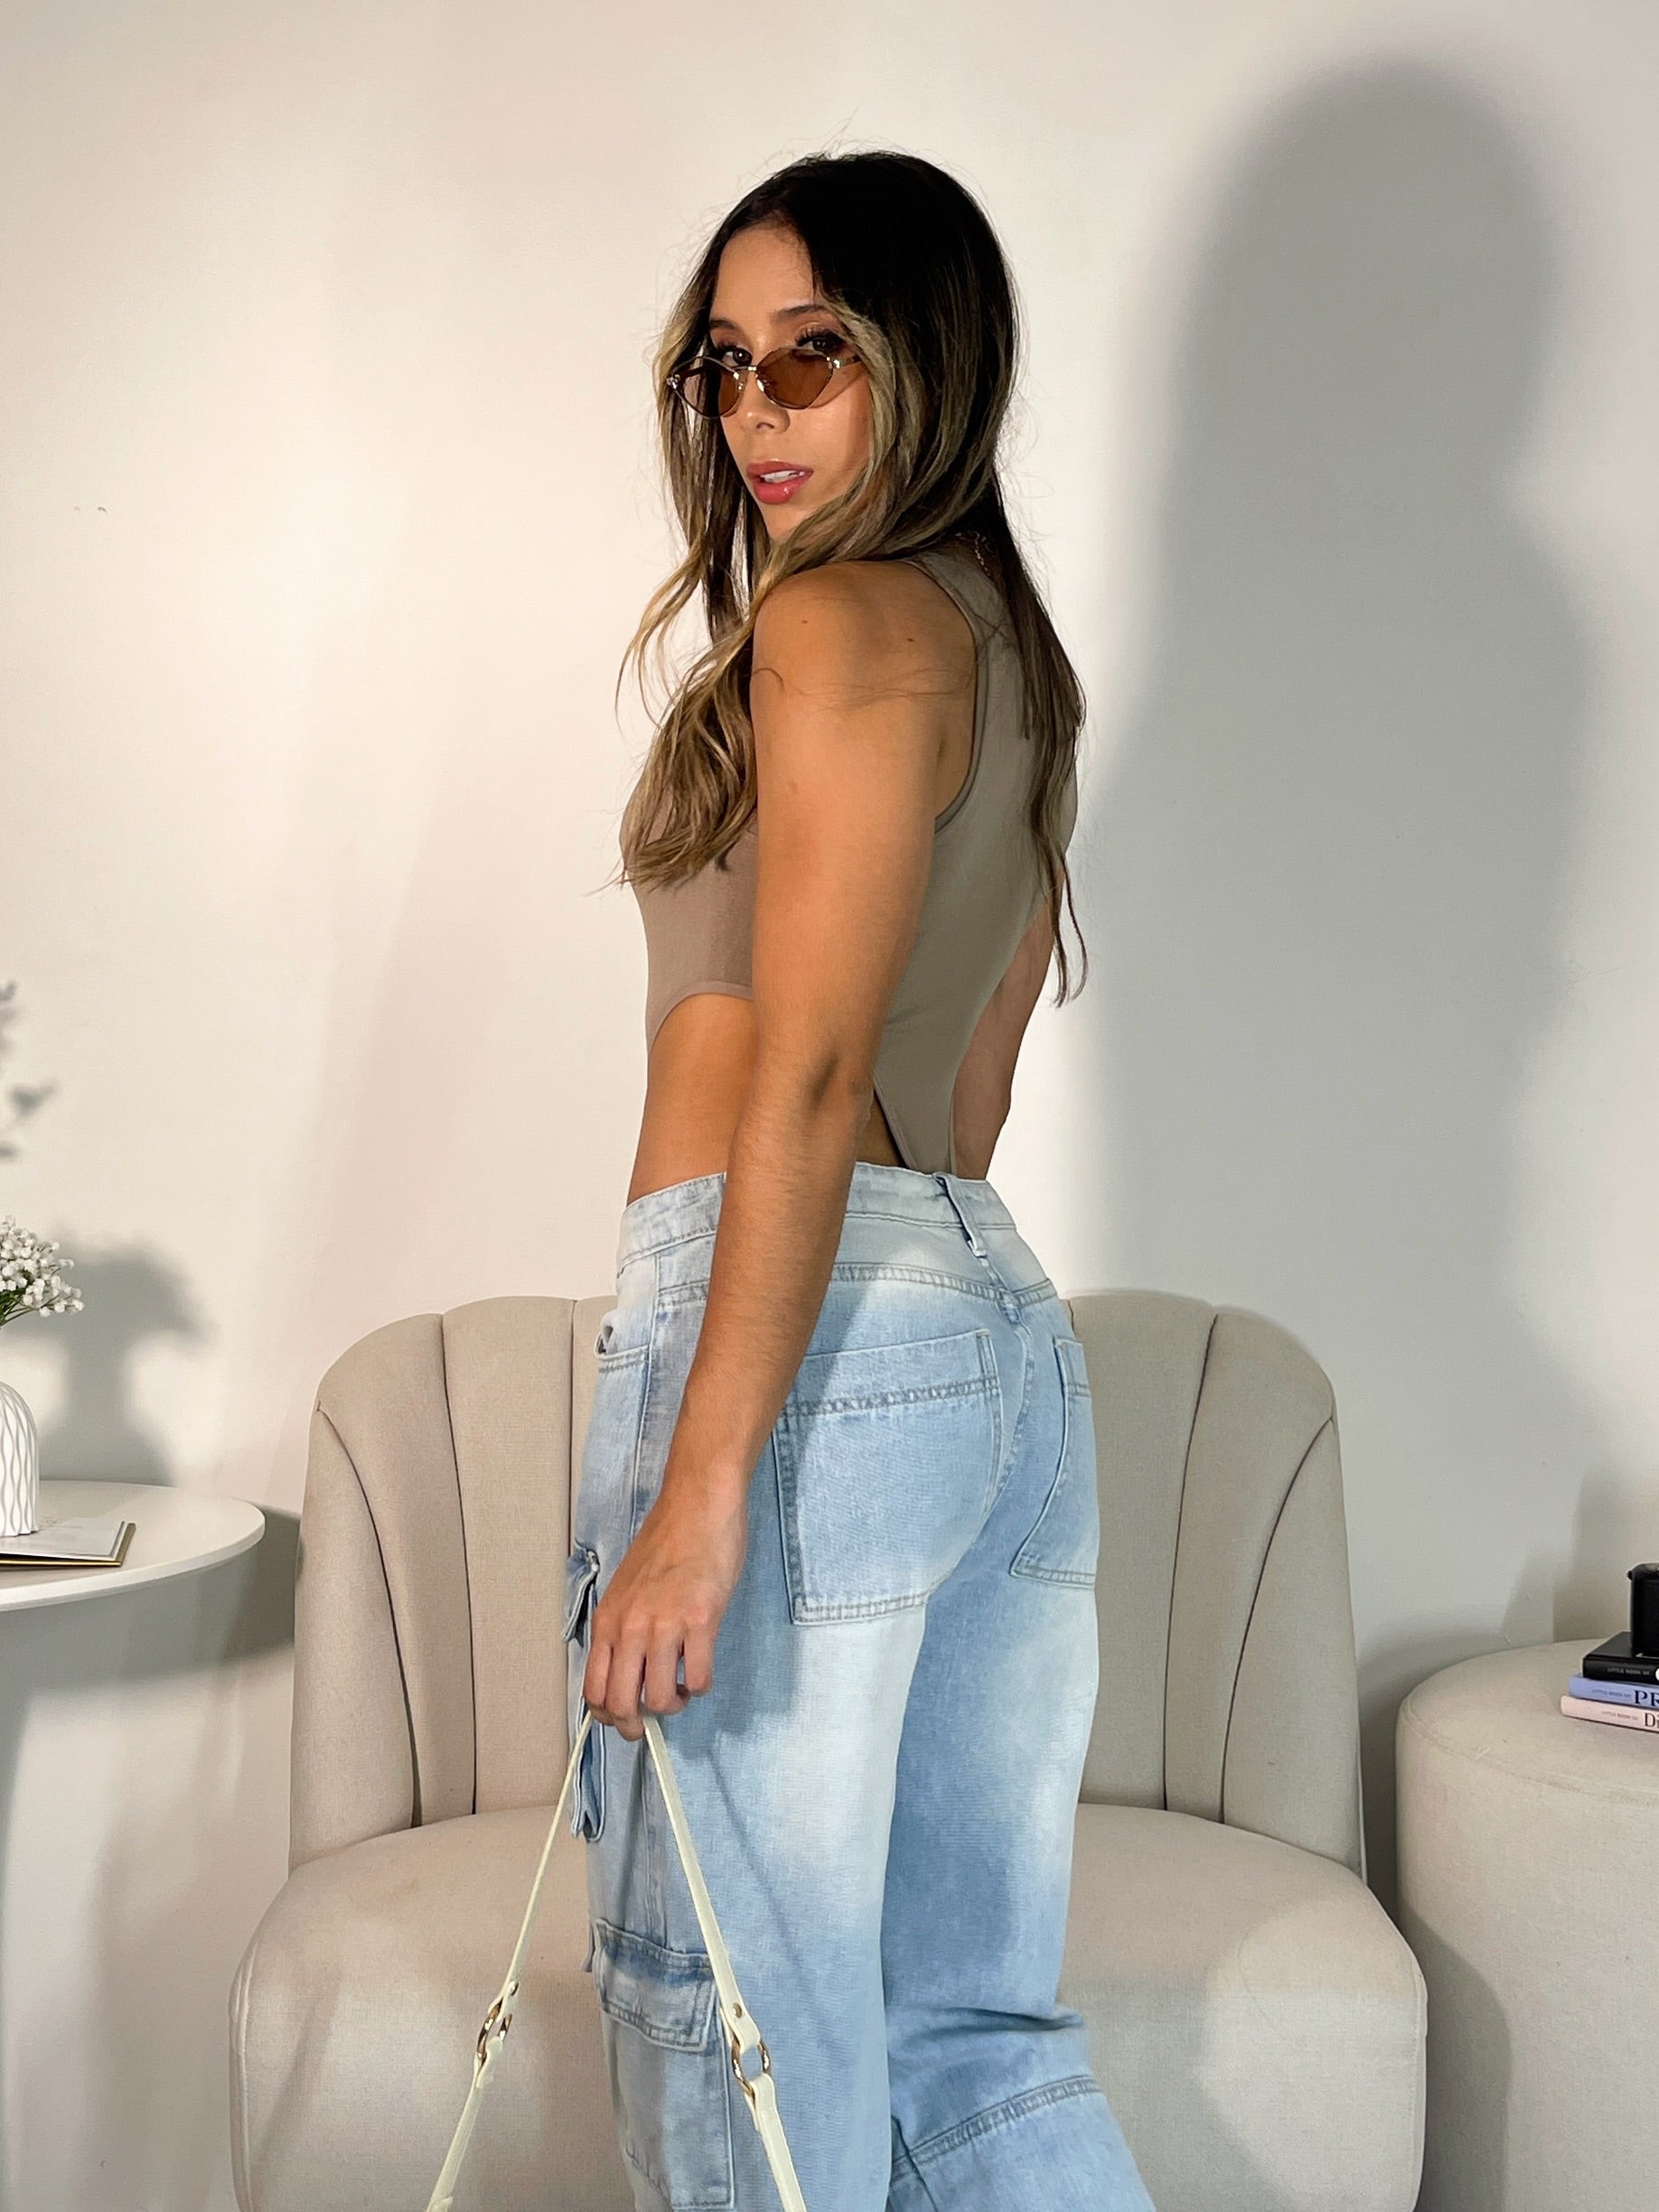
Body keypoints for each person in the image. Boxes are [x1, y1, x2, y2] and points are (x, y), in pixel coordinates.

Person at [565, 147, 1157, 2212]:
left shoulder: (829, 626)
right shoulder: (1016, 662)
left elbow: (812, 1072)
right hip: (989, 1333)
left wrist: (705, 1482)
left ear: (930, 354)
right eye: (723, 366)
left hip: (791, 1340)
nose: (757, 411)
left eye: (811, 355)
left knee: (738, 2022)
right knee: (969, 2046)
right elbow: (964, 1102)